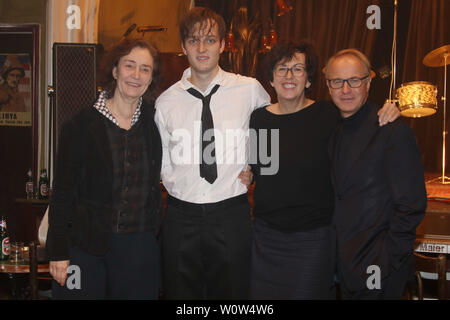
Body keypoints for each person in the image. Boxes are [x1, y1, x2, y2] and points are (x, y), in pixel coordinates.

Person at [249, 41, 399, 299]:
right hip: (265, 238)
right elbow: (262, 165)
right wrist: (248, 172)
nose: (288, 75)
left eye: (297, 69)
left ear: (309, 79)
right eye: (281, 68)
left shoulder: (328, 114)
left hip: (312, 240)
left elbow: (362, 119)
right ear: (271, 79)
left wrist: (389, 108)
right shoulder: (259, 118)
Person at [154, 7, 270, 299]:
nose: (202, 48)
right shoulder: (166, 101)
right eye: (193, 40)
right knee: (180, 296)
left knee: (233, 294)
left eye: (209, 39)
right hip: (181, 216)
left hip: (231, 213)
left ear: (222, 44)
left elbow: (268, 132)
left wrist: (258, 169)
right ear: (183, 47)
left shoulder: (249, 90)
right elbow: (163, 158)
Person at [46, 38, 163, 299]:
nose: (136, 75)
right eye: (129, 65)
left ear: (151, 77)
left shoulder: (157, 122)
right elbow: (62, 193)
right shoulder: (79, 126)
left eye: (145, 69)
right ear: (114, 70)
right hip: (85, 248)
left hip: (139, 248)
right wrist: (59, 251)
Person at [325, 49, 426, 299]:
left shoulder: (391, 131)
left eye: (354, 80)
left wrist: (386, 260)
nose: (345, 89)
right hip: (339, 267)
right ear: (328, 86)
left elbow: (412, 206)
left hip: (378, 270)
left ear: (368, 82)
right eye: (337, 81)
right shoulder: (329, 129)